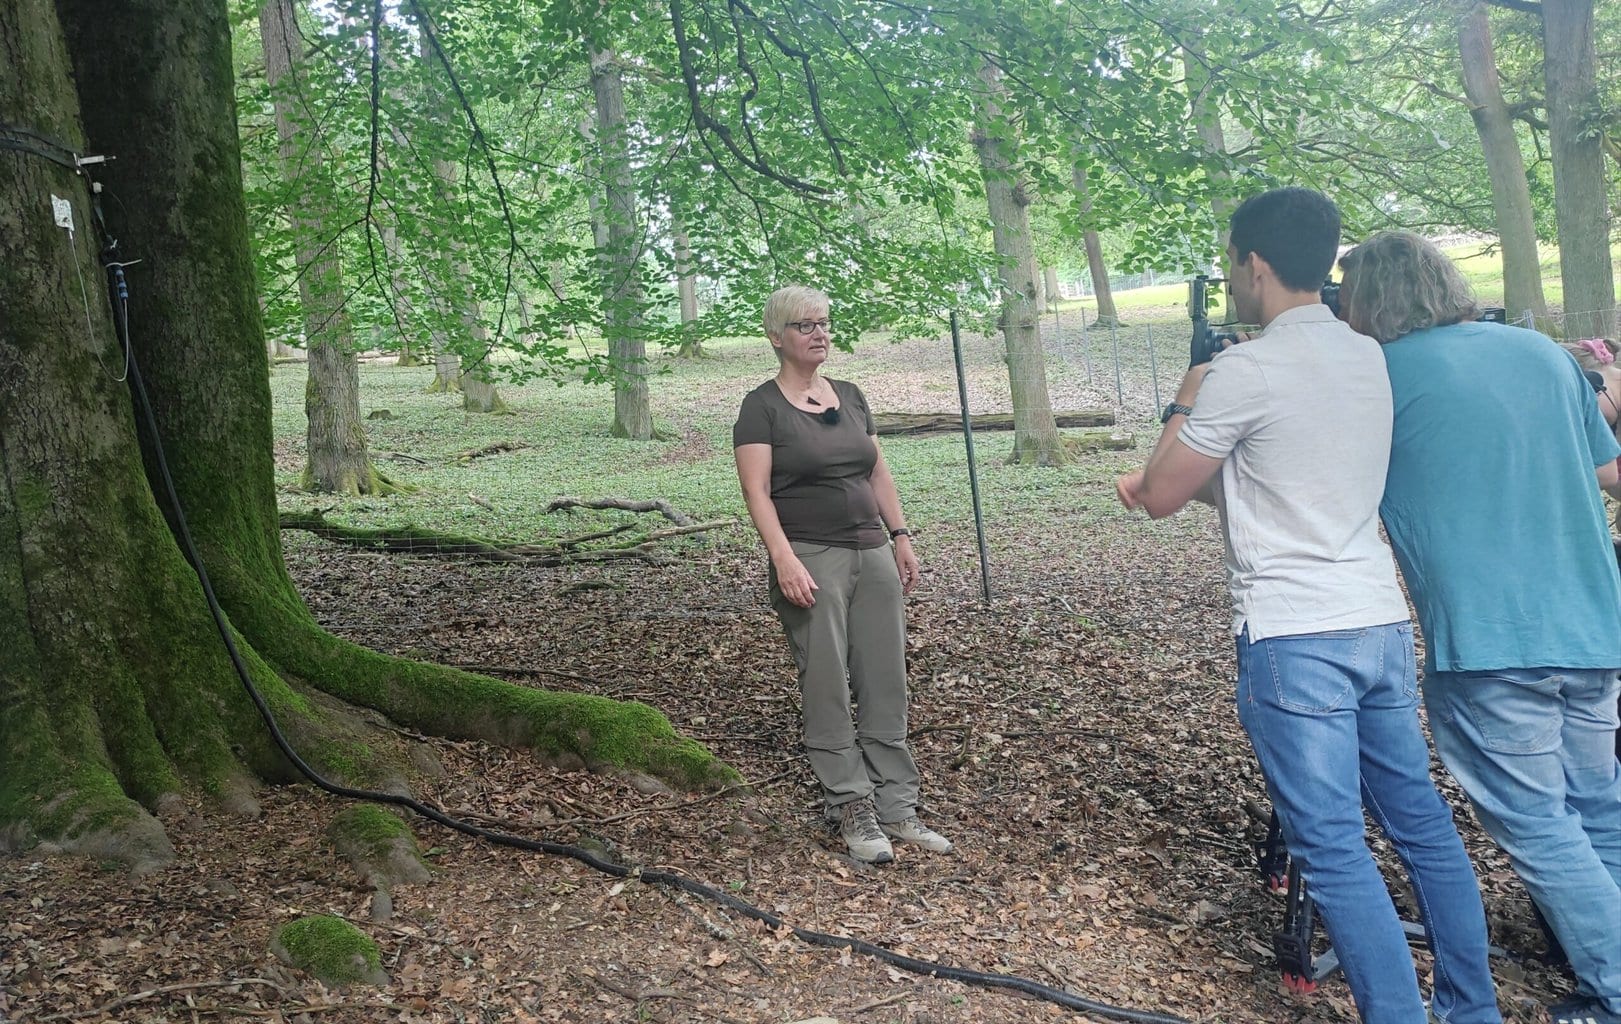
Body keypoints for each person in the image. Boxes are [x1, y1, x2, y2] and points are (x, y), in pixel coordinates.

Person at [1116, 188, 1500, 1024]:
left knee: (1330, 847)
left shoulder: (1244, 369)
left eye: (1230, 264)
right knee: (1421, 827)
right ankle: (1471, 1009)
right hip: (1375, 617)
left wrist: (1186, 396)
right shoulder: (1369, 355)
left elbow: (1158, 493)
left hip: (1294, 634)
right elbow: (1271, 484)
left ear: (1253, 266)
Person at [1337, 232, 1621, 1024]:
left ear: (1369, 299)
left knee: (1536, 822)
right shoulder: (1540, 354)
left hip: (1491, 639)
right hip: (1594, 620)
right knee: (1597, 806)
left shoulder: (1381, 376)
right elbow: (1606, 468)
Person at [732, 285, 950, 864]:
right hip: (810, 556)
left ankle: (898, 807)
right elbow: (756, 491)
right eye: (806, 325)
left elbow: (878, 472)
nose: (820, 333)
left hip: (872, 551)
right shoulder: (762, 406)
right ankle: (851, 805)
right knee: (826, 680)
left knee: (885, 677)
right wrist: (783, 559)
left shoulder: (850, 396)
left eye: (825, 323)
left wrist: (900, 537)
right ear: (776, 337)